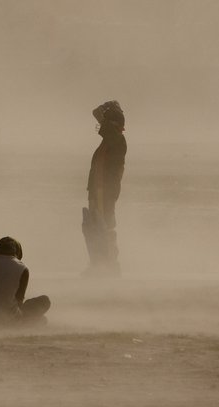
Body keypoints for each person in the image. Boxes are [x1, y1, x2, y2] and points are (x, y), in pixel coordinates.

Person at [82, 100, 127, 277]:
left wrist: (104, 107)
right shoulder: (110, 141)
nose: (101, 126)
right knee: (95, 227)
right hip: (98, 191)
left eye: (106, 123)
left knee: (104, 227)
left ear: (113, 125)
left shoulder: (117, 139)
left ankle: (108, 266)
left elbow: (96, 113)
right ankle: (98, 264)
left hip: (105, 192)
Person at [0, 237, 50, 327]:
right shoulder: (23, 269)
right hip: (7, 320)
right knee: (44, 303)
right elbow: (19, 300)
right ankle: (26, 324)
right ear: (17, 252)